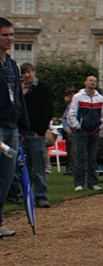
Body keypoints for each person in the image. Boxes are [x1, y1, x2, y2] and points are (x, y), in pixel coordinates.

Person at [0, 18, 31, 238]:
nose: (9, 38)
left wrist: (23, 126)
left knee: (7, 176)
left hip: (11, 126)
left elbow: (18, 97)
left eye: (11, 34)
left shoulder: (12, 64)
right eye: (5, 35)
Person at [67, 75, 103, 192]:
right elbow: (72, 113)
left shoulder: (100, 99)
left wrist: (100, 125)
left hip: (94, 131)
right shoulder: (78, 97)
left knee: (92, 157)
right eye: (90, 81)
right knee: (80, 157)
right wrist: (78, 126)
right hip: (82, 131)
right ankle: (78, 183)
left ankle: (93, 182)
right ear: (85, 82)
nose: (92, 83)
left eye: (95, 81)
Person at [20, 63, 53, 208]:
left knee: (39, 168)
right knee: (23, 168)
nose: (27, 75)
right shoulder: (20, 90)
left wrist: (41, 131)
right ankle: (26, 196)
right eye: (24, 73)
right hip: (22, 134)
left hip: (36, 134)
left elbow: (47, 111)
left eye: (29, 72)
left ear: (33, 72)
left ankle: (41, 196)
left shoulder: (43, 89)